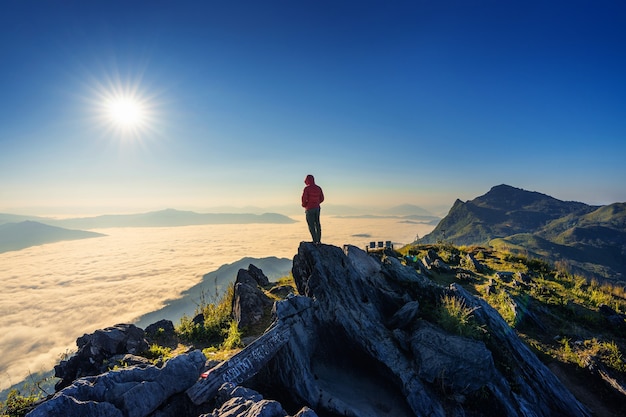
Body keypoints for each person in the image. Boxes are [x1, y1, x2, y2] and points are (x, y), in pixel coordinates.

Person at [301, 174, 324, 244]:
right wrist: (317, 203)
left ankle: (314, 241)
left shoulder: (307, 189)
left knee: (311, 225)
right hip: (317, 208)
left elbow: (304, 199)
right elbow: (322, 198)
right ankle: (319, 240)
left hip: (309, 209)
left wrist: (305, 205)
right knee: (317, 224)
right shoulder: (318, 188)